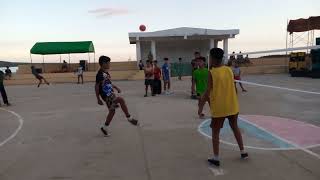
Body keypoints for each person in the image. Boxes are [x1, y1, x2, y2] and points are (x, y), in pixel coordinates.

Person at [204, 48, 248, 167]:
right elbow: (233, 88)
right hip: (232, 105)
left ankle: (216, 157)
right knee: (235, 127)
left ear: (212, 59)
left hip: (219, 108)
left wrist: (201, 103)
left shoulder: (211, 72)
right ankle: (243, 151)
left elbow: (207, 91)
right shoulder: (229, 70)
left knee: (215, 132)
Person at [95, 56, 138, 137]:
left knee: (112, 112)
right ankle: (129, 118)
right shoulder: (100, 74)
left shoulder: (106, 73)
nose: (109, 64)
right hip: (106, 95)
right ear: (104, 63)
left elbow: (109, 83)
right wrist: (98, 98)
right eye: (108, 63)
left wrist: (116, 87)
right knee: (120, 100)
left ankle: (105, 127)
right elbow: (96, 86)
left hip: (110, 93)